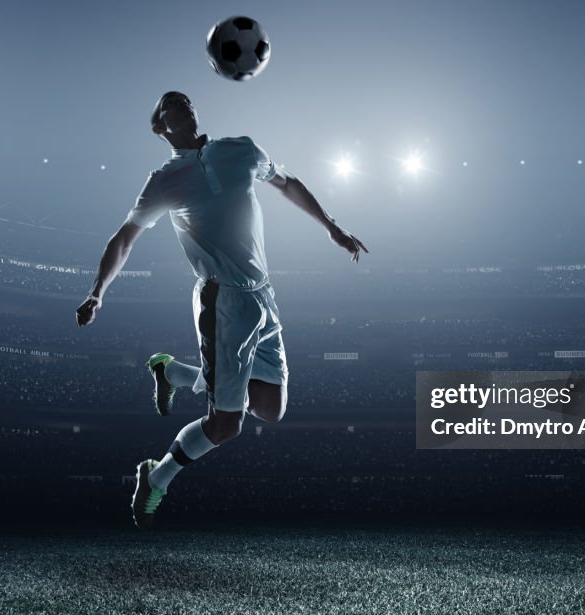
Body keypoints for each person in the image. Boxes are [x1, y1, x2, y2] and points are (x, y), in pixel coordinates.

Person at [76, 91, 367, 527]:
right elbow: (123, 240)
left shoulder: (240, 149)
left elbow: (286, 183)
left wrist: (332, 227)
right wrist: (98, 290)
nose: (180, 101)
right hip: (222, 300)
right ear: (159, 127)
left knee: (271, 407)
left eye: (185, 99)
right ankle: (157, 476)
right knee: (226, 425)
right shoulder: (164, 181)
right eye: (168, 103)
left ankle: (171, 372)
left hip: (263, 294)